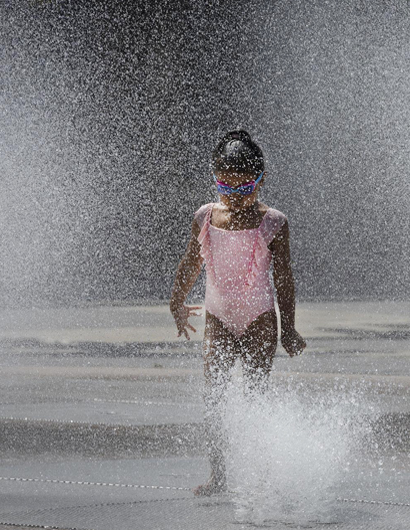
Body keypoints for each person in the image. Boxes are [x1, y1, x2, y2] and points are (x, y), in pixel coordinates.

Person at [170, 129, 306, 496]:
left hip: (260, 318)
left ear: (259, 182)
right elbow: (190, 263)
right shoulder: (205, 217)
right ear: (215, 181)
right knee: (213, 395)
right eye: (225, 187)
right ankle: (220, 476)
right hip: (218, 317)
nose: (235, 196)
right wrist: (175, 302)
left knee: (254, 395)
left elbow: (285, 279)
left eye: (244, 188)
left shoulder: (274, 222)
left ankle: (261, 475)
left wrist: (289, 328)